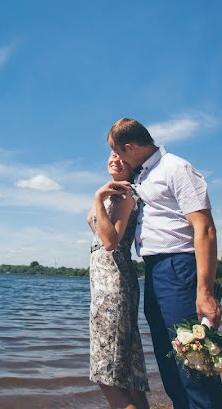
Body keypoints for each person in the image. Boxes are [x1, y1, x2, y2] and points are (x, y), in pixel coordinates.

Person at [108, 117, 222, 409]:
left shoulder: (176, 168)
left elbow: (205, 229)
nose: (114, 158)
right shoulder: (142, 174)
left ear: (130, 146)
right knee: (170, 362)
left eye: (116, 152)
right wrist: (119, 174)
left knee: (194, 363)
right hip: (155, 271)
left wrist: (205, 291)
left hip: (179, 267)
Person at [87, 151, 150, 409]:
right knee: (128, 369)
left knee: (107, 372)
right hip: (107, 279)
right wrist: (101, 198)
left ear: (133, 163)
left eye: (122, 157)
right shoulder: (114, 192)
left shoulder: (125, 195)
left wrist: (97, 199)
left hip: (113, 282)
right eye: (112, 155)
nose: (115, 160)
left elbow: (111, 242)